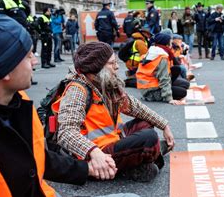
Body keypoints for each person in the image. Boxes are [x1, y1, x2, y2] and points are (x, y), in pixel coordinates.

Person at [0, 15, 146, 197]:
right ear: (4, 68)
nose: (35, 61)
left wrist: (86, 168)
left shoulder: (17, 101)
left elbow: (37, 158)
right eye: (28, 55)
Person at [55, 41, 175, 183]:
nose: (117, 67)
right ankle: (138, 162)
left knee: (145, 123)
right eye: (112, 63)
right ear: (97, 67)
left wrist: (164, 125)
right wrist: (93, 151)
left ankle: (139, 162)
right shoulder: (77, 90)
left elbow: (135, 107)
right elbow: (65, 132)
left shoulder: (105, 83)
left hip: (112, 140)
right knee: (149, 138)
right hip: (95, 154)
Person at [0, 0, 37, 85]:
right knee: (14, 57)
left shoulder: (22, 2)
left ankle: (28, 78)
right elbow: (1, 18)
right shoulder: (3, 2)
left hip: (24, 32)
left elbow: (27, 13)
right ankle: (12, 78)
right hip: (11, 34)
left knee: (26, 55)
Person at [137, 33, 189, 103]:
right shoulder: (162, 56)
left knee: (182, 79)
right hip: (151, 90)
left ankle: (168, 89)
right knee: (182, 92)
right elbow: (164, 78)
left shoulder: (153, 50)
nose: (171, 44)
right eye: (170, 42)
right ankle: (161, 94)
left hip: (147, 86)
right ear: (166, 44)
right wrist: (169, 98)